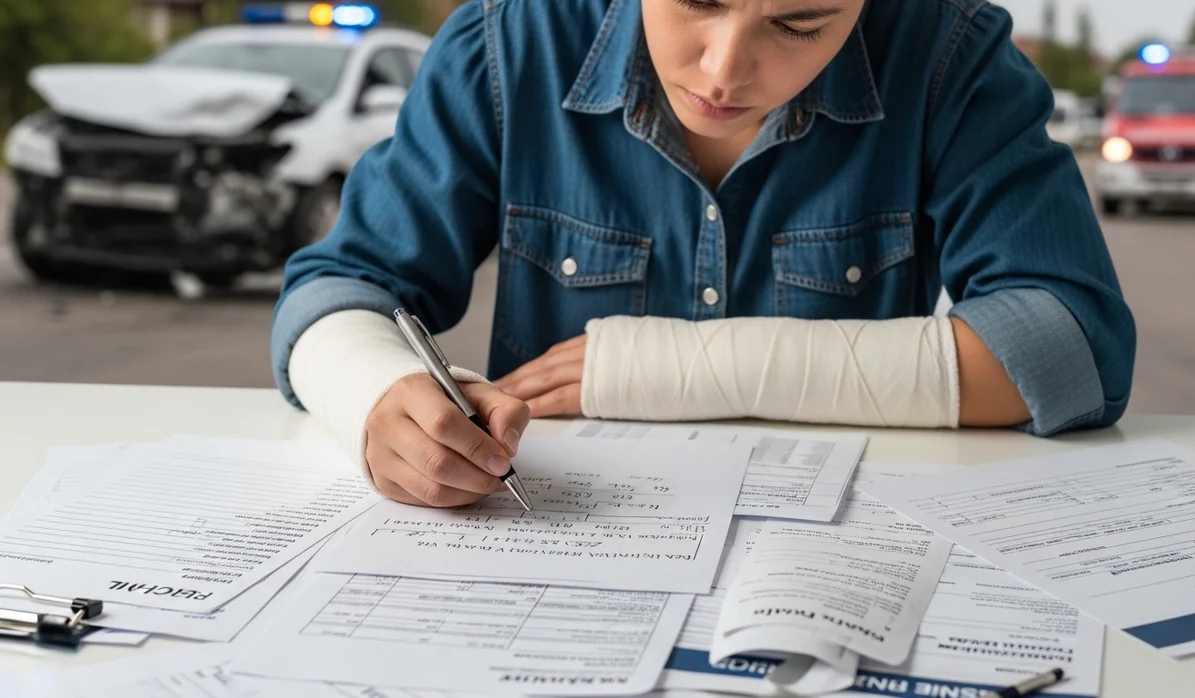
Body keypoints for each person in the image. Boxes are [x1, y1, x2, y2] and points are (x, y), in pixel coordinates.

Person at [270, 0, 1136, 509]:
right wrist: (374, 395)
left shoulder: (951, 56)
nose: (725, 72)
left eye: (799, 21)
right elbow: (339, 286)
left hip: (832, 554)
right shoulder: (508, 41)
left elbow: (1073, 352)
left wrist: (671, 367)